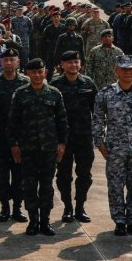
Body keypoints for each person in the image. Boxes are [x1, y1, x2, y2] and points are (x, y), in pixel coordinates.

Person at [92, 55, 132, 237]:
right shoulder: (105, 93)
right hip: (115, 150)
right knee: (115, 187)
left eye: (131, 69)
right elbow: (97, 120)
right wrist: (100, 143)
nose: (128, 72)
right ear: (117, 71)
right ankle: (119, 221)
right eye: (124, 69)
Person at [9, 58, 68, 236]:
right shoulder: (20, 94)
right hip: (27, 149)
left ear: (45, 72)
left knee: (47, 186)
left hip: (49, 149)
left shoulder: (55, 94)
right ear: (27, 73)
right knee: (29, 186)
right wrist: (14, 145)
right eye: (33, 72)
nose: (36, 75)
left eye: (40, 72)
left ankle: (45, 221)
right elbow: (13, 122)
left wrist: (62, 144)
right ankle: (33, 221)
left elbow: (62, 121)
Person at [50, 51, 98, 224]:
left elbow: (97, 110)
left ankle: (80, 207)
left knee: (84, 174)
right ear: (62, 65)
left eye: (76, 62)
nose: (73, 65)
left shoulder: (88, 83)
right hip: (63, 139)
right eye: (69, 62)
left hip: (84, 137)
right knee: (63, 175)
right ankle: (67, 207)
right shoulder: (55, 85)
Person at [0, 48, 29, 223]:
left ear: (17, 62)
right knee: (2, 173)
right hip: (0, 138)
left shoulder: (25, 82)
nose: (9, 63)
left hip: (21, 138)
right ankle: (4, 208)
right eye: (6, 60)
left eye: (12, 59)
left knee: (19, 174)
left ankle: (17, 207)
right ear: (1, 63)